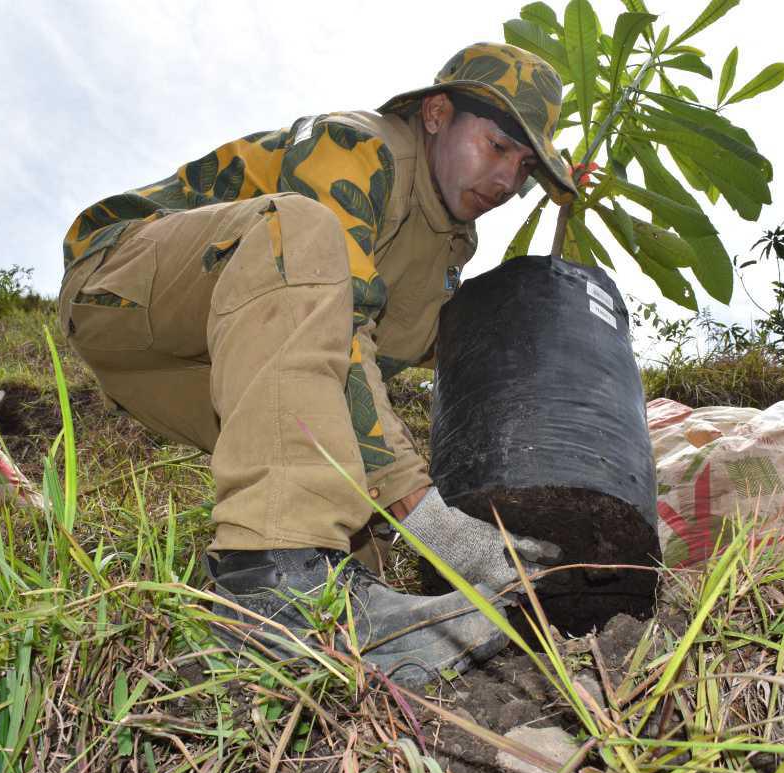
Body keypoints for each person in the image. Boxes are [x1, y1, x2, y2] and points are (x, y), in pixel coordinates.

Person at [58, 43, 576, 686]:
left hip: (197, 366)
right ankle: (270, 585)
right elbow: (341, 328)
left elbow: (378, 361)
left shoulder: (446, 247)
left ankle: (317, 638)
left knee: (341, 483)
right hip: (122, 289)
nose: (506, 181)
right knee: (301, 230)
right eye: (497, 146)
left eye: (524, 167)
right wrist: (431, 519)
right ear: (437, 113)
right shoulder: (355, 146)